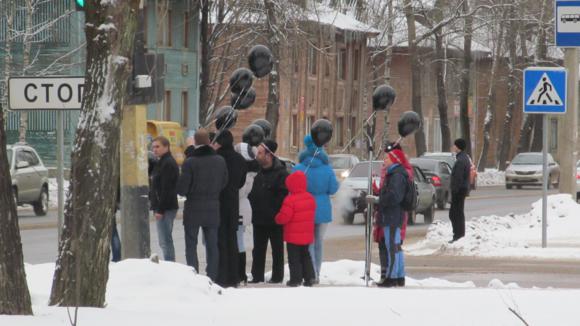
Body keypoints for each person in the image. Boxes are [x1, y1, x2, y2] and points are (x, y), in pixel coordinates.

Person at [178, 129, 228, 281]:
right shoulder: (219, 160)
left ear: (195, 142)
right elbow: (225, 182)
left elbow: (182, 189)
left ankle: (193, 276)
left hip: (193, 207)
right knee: (212, 244)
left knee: (191, 244)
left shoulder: (190, 162)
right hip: (213, 206)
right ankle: (212, 276)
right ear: (208, 142)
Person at [293, 135, 338, 282]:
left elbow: (292, 187)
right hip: (323, 209)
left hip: (303, 209)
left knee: (308, 242)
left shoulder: (299, 168)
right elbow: (333, 189)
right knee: (319, 242)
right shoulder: (327, 169)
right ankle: (316, 272)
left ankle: (310, 272)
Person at [248, 140, 288, 283]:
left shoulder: (281, 173)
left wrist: (274, 211)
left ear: (269, 155)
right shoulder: (255, 171)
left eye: (260, 153)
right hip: (258, 218)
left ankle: (277, 277)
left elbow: (283, 196)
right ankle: (257, 276)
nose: (257, 155)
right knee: (258, 250)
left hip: (275, 219)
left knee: (277, 250)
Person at [214, 130, 247, 288]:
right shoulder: (239, 159)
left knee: (220, 240)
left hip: (218, 201)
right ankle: (234, 276)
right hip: (233, 202)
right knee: (232, 239)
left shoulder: (216, 158)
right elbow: (241, 182)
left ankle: (221, 276)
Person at [275, 171, 316, 287]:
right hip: (306, 235)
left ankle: (296, 279)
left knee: (294, 258)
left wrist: (277, 218)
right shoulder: (310, 198)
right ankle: (310, 277)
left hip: (293, 236)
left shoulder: (290, 200)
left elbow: (284, 217)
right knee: (306, 256)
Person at [376, 147, 409, 287]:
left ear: (395, 160)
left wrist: (380, 200)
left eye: (387, 158)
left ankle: (392, 277)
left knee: (392, 247)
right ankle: (399, 276)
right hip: (395, 214)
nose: (385, 160)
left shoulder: (396, 175)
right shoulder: (397, 173)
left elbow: (395, 196)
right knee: (396, 246)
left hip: (392, 214)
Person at [149, 136, 179, 262]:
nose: (154, 150)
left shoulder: (168, 163)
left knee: (165, 240)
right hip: (161, 206)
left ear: (166, 147)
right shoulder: (160, 162)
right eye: (153, 147)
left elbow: (166, 189)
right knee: (164, 240)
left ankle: (170, 264)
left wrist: (160, 209)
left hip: (166, 207)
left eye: (157, 147)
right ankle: (169, 263)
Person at [235, 142, 259, 284]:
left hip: (240, 208)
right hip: (243, 208)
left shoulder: (245, 174)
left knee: (238, 242)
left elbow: (238, 192)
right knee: (239, 241)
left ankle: (240, 273)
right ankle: (240, 273)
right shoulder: (250, 172)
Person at [449, 138, 471, 243]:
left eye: (454, 145)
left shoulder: (461, 160)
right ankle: (458, 235)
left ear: (458, 147)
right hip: (461, 190)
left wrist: (454, 190)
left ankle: (458, 235)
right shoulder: (463, 158)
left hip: (459, 191)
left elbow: (458, 177)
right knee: (457, 213)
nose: (453, 147)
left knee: (455, 213)